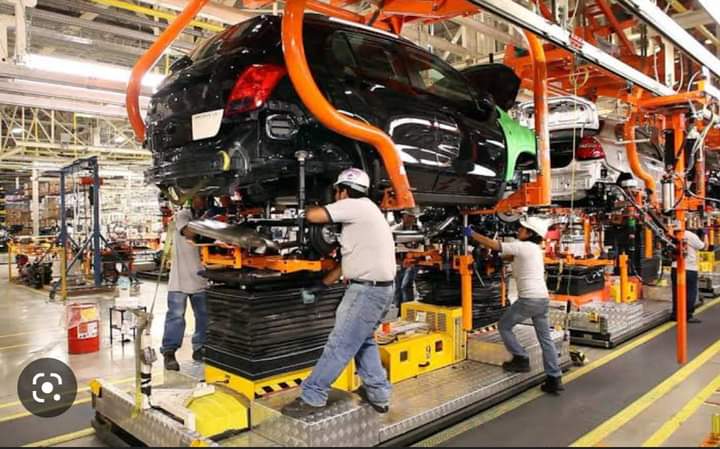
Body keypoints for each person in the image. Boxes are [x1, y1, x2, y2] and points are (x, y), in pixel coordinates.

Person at [282, 168, 396, 416]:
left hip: (366, 292)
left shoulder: (355, 206)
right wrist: (322, 284)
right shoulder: (368, 211)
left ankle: (312, 396)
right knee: (363, 341)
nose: (335, 196)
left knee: (340, 344)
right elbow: (347, 262)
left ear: (343, 191)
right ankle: (378, 394)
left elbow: (313, 216)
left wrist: (300, 206)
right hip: (380, 289)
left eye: (336, 192)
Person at [465, 216, 564, 395]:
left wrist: (472, 234)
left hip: (529, 300)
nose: (519, 230)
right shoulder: (533, 249)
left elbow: (495, 245)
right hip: (542, 299)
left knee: (504, 326)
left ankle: (521, 358)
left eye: (522, 228)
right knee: (545, 340)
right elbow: (507, 256)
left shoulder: (522, 246)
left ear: (530, 233)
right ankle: (554, 378)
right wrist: (491, 256)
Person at [160, 195, 209, 371]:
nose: (202, 201)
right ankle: (169, 352)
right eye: (199, 197)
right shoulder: (183, 215)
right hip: (179, 279)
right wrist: (211, 223)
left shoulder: (206, 216)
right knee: (176, 317)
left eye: (205, 197)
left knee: (203, 317)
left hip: (201, 278)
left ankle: (200, 348)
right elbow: (188, 232)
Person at [671, 228, 706, 324]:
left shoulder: (673, 234)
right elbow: (704, 246)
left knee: (676, 292)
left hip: (675, 267)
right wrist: (705, 234)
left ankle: (676, 314)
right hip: (689, 269)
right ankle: (687, 315)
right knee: (690, 292)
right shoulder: (691, 235)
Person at [392, 211, 422, 306]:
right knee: (397, 287)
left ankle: (407, 308)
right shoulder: (395, 229)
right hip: (400, 261)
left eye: (412, 217)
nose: (410, 219)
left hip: (413, 262)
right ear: (403, 217)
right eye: (408, 216)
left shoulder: (418, 229)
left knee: (405, 286)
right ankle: (399, 309)